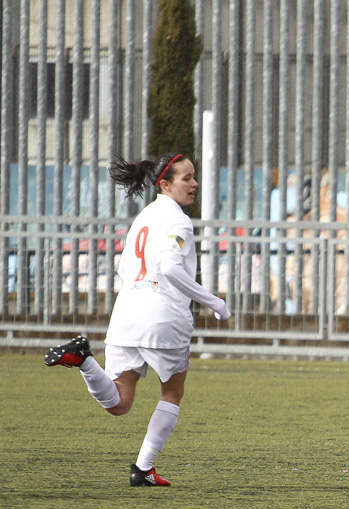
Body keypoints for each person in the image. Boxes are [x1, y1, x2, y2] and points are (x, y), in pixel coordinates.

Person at [44, 153, 231, 487]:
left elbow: (124, 268)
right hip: (163, 317)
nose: (194, 184)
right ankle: (143, 469)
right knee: (172, 392)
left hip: (126, 314)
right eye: (187, 178)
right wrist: (214, 302)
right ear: (165, 184)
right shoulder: (178, 221)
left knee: (120, 402)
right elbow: (169, 266)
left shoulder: (143, 218)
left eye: (194, 177)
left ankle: (85, 360)